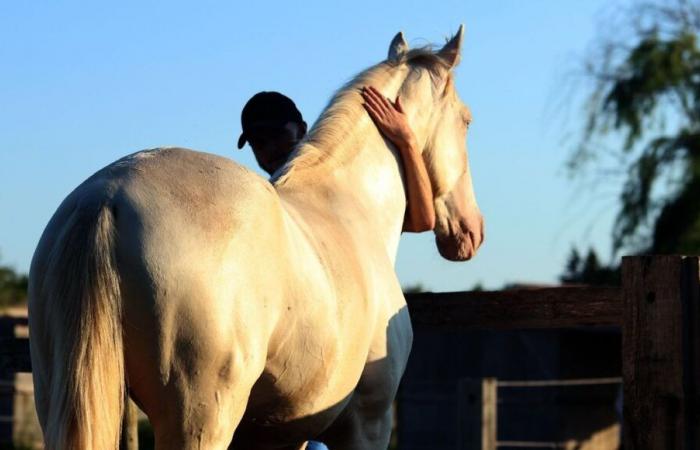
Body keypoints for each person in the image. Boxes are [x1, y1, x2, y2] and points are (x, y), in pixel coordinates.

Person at [237, 88, 435, 232]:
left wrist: (408, 142)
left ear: (303, 129)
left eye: (278, 134)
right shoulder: (261, 207)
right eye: (259, 142)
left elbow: (422, 221)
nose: (270, 147)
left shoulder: (340, 185)